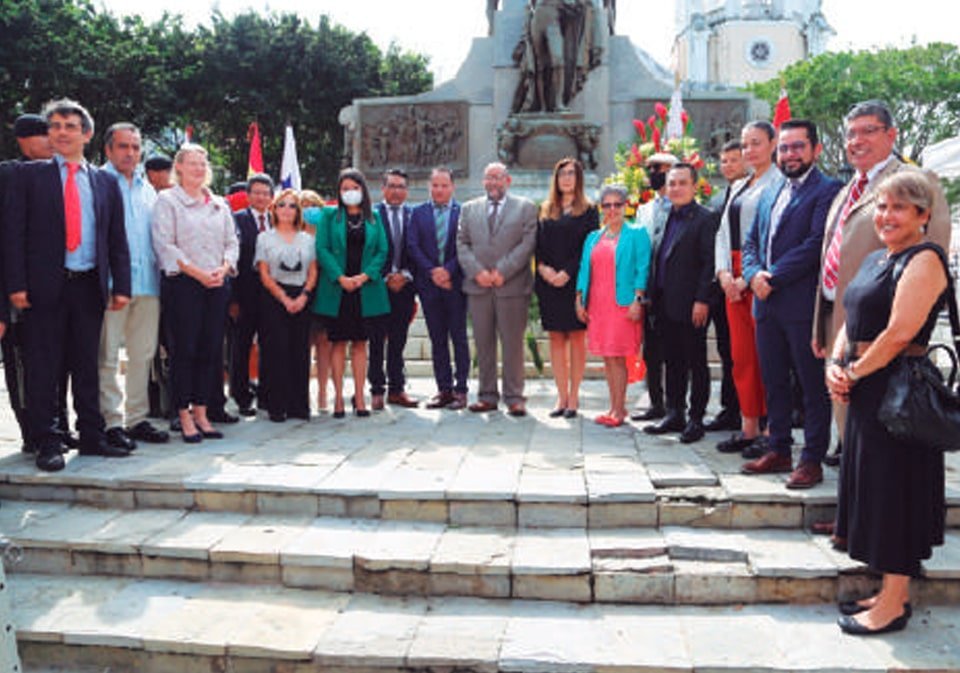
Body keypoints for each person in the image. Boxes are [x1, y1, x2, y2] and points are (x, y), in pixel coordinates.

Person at [826, 171, 948, 635]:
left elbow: (898, 333)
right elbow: (850, 317)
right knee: (875, 491)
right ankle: (887, 589)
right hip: (865, 388)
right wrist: (836, 364)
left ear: (923, 215)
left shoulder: (925, 259)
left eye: (899, 208)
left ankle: (895, 603)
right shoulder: (879, 258)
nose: (886, 216)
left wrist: (853, 371)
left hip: (897, 393)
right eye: (881, 206)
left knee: (896, 493)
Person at [812, 100, 951, 466]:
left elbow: (930, 251)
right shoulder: (848, 189)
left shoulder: (918, 183)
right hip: (841, 323)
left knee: (883, 439)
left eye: (868, 131)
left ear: (891, 135)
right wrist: (821, 323)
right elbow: (832, 255)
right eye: (851, 134)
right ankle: (853, 508)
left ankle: (873, 515)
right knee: (849, 426)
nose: (857, 141)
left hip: (891, 342)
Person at [4, 98, 132, 472]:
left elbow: (115, 238)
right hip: (45, 286)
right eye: (55, 125)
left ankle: (91, 435)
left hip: (88, 284)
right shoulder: (29, 176)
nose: (61, 132)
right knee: (44, 365)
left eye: (70, 126)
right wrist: (16, 284)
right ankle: (48, 440)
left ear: (86, 134)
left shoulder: (105, 181)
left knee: (86, 364)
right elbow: (13, 234)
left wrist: (120, 284)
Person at [740, 119, 842, 489]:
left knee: (811, 387)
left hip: (801, 306)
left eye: (797, 146)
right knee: (774, 381)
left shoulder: (829, 190)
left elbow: (817, 243)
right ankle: (778, 447)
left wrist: (773, 276)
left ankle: (811, 459)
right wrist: (752, 274)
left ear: (815, 149)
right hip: (765, 306)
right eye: (784, 147)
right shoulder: (770, 191)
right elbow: (751, 241)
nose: (789, 154)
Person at [152, 143, 239, 443]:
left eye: (203, 163)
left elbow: (232, 241)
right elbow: (166, 244)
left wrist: (225, 267)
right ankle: (184, 414)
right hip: (184, 285)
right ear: (179, 167)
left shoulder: (218, 203)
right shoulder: (167, 200)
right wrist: (198, 273)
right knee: (184, 350)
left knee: (210, 350)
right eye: (192, 163)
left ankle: (203, 412)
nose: (199, 169)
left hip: (216, 284)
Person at [98, 123, 169, 450]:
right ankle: (110, 422)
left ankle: (136, 418)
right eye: (123, 146)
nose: (130, 153)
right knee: (108, 356)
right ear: (109, 149)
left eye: (136, 147)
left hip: (147, 284)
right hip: (111, 286)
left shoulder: (148, 189)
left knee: (143, 354)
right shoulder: (97, 182)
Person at [713, 123, 781, 456]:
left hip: (761, 279)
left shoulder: (781, 183)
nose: (750, 150)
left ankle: (773, 429)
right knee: (742, 357)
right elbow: (723, 233)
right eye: (745, 144)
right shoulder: (740, 185)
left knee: (768, 356)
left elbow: (775, 234)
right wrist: (724, 272)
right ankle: (748, 426)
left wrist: (746, 276)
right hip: (733, 281)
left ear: (773, 143)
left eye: (756, 143)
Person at [642, 163, 716, 443]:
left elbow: (709, 262)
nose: (676, 188)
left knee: (695, 362)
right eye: (671, 183)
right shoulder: (664, 217)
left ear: (694, 186)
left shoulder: (706, 218)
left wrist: (702, 299)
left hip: (691, 304)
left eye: (682, 183)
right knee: (671, 361)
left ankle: (696, 418)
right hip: (663, 302)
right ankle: (675, 412)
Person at [456, 162, 537, 416]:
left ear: (508, 181)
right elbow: (462, 243)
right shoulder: (469, 209)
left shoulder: (525, 208)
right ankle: (487, 395)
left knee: (512, 343)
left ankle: (515, 396)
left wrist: (503, 270)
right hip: (478, 287)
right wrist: (477, 272)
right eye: (488, 178)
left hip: (511, 286)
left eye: (497, 178)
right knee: (483, 343)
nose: (493, 183)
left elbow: (527, 243)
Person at [312, 168, 389, 418]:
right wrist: (340, 277)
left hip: (365, 290)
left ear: (363, 190)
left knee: (360, 344)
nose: (350, 193)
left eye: (354, 188)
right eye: (345, 189)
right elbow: (321, 248)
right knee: (337, 343)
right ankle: (337, 400)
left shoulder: (374, 217)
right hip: (338, 289)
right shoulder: (328, 215)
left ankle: (360, 398)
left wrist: (365, 276)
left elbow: (382, 251)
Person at [575, 184, 649, 426]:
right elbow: (584, 270)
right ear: (601, 208)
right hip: (598, 305)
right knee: (607, 357)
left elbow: (642, 268)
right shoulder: (592, 237)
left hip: (623, 304)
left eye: (617, 204)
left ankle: (619, 409)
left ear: (626, 206)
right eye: (607, 205)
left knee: (618, 357)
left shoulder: (637, 233)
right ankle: (613, 406)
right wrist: (579, 300)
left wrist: (638, 300)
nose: (612, 209)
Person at [0, 114, 52, 454]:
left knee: (50, 365)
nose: (52, 143)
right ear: (25, 140)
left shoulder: (55, 174)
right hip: (14, 295)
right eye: (44, 137)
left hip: (50, 293)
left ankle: (53, 427)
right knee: (21, 364)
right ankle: (32, 433)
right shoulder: (9, 174)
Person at [536, 157, 598, 417]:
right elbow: (537, 245)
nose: (567, 178)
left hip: (575, 284)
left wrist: (567, 273)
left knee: (575, 337)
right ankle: (560, 397)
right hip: (549, 283)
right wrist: (543, 268)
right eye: (562, 174)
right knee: (556, 339)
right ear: (556, 178)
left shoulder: (589, 210)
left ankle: (574, 398)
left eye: (571, 174)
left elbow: (589, 247)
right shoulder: (546, 208)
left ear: (578, 178)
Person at [407, 167, 470, 410]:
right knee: (437, 338)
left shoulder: (463, 212)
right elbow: (413, 246)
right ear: (429, 187)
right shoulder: (418, 213)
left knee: (459, 337)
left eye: (444, 185)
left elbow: (466, 245)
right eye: (435, 185)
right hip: (430, 286)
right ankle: (444, 389)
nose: (439, 190)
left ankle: (461, 389)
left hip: (455, 285)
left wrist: (448, 270)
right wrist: (433, 272)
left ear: (452, 187)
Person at [255, 189, 317, 422]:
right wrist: (283, 298)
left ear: (298, 212)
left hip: (301, 295)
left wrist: (303, 296)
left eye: (292, 206)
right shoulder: (265, 238)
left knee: (299, 351)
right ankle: (276, 405)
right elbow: (264, 273)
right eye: (282, 205)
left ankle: (298, 405)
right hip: (274, 297)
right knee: (276, 351)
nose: (287, 210)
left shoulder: (307, 239)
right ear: (274, 209)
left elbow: (312, 271)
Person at [703, 139, 745, 434]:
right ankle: (729, 408)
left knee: (745, 352)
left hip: (743, 282)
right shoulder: (717, 199)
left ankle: (750, 410)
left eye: (734, 159)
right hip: (719, 285)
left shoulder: (752, 194)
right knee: (726, 350)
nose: (727, 165)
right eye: (724, 160)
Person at [631, 152, 676, 422]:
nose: (652, 173)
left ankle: (676, 405)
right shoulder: (644, 209)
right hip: (650, 290)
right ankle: (655, 402)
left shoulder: (684, 206)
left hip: (675, 290)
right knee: (652, 350)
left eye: (658, 168)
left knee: (676, 352)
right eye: (649, 169)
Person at [369, 169, 418, 410]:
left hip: (405, 287)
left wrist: (405, 275)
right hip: (378, 286)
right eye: (392, 186)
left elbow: (419, 250)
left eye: (401, 186)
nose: (396, 191)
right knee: (377, 339)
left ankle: (397, 389)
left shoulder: (414, 216)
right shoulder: (372, 216)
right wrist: (386, 276)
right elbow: (368, 252)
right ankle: (376, 389)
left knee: (398, 341)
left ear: (406, 191)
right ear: (383, 189)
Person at [230, 173, 274, 416]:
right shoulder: (237, 219)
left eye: (265, 193)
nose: (261, 197)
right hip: (244, 294)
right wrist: (233, 299)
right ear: (248, 195)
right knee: (241, 346)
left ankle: (267, 395)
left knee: (269, 344)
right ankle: (241, 396)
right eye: (256, 192)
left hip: (271, 295)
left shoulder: (277, 220)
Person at [300, 189, 333, 412]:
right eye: (304, 205)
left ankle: (323, 392)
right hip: (301, 292)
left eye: (313, 205)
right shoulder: (290, 232)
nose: (309, 209)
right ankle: (303, 392)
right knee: (304, 344)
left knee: (325, 343)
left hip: (325, 291)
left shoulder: (327, 232)